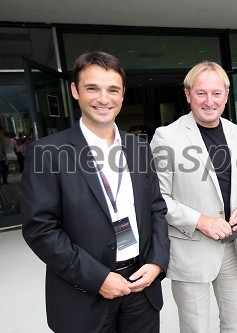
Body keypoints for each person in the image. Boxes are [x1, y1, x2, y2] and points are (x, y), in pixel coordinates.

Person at [21, 51, 170, 333]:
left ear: (122, 95)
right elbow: (41, 230)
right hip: (84, 294)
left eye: (112, 90)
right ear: (75, 91)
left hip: (142, 287)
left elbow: (157, 209)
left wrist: (157, 263)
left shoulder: (138, 147)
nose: (104, 98)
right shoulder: (48, 152)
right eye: (93, 88)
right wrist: (98, 278)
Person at [150, 61, 237, 333]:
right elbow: (158, 198)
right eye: (201, 93)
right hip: (191, 248)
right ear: (188, 95)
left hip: (233, 247)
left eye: (216, 93)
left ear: (226, 95)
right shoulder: (166, 137)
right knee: (195, 327)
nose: (209, 101)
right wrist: (200, 221)